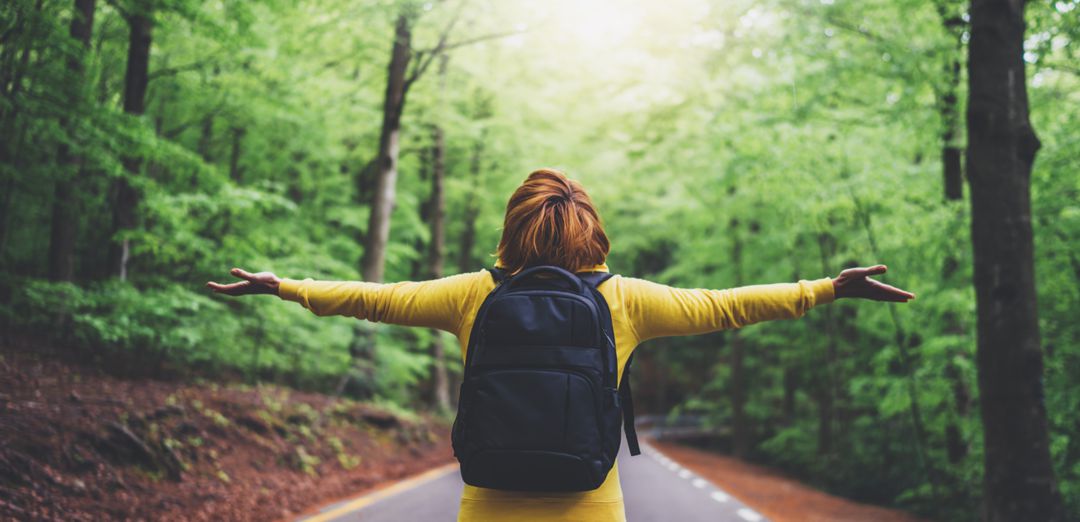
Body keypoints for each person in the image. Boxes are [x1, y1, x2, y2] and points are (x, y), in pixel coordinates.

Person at [207, 168, 914, 522]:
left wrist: (285, 285)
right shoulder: (623, 299)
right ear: (591, 234)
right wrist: (825, 287)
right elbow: (724, 308)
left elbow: (374, 299)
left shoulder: (473, 294)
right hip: (589, 503)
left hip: (489, 499)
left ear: (513, 229)